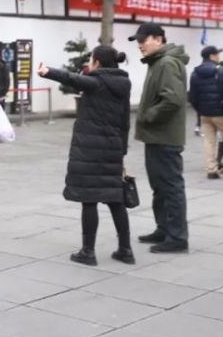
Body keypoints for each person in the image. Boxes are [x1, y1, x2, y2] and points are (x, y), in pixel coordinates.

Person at [38, 47, 134, 266]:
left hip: (90, 149)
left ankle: (88, 251)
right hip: (113, 148)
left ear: (97, 62)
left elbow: (72, 78)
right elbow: (125, 121)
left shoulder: (96, 82)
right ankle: (126, 250)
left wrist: (48, 71)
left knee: (89, 199)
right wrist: (122, 152)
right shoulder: (123, 84)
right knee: (116, 199)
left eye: (91, 59)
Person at [130, 22, 190, 254]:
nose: (140, 45)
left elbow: (172, 99)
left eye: (143, 41)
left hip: (165, 136)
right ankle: (164, 228)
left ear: (158, 39)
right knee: (160, 187)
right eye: (138, 42)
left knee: (171, 188)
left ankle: (177, 237)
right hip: (157, 136)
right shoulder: (157, 62)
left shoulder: (166, 63)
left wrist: (148, 116)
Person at [188, 45, 223, 179]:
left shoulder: (195, 73)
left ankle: (211, 170)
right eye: (217, 54)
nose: (218, 57)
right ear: (212, 56)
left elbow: (192, 97)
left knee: (209, 142)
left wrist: (200, 110)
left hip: (205, 114)